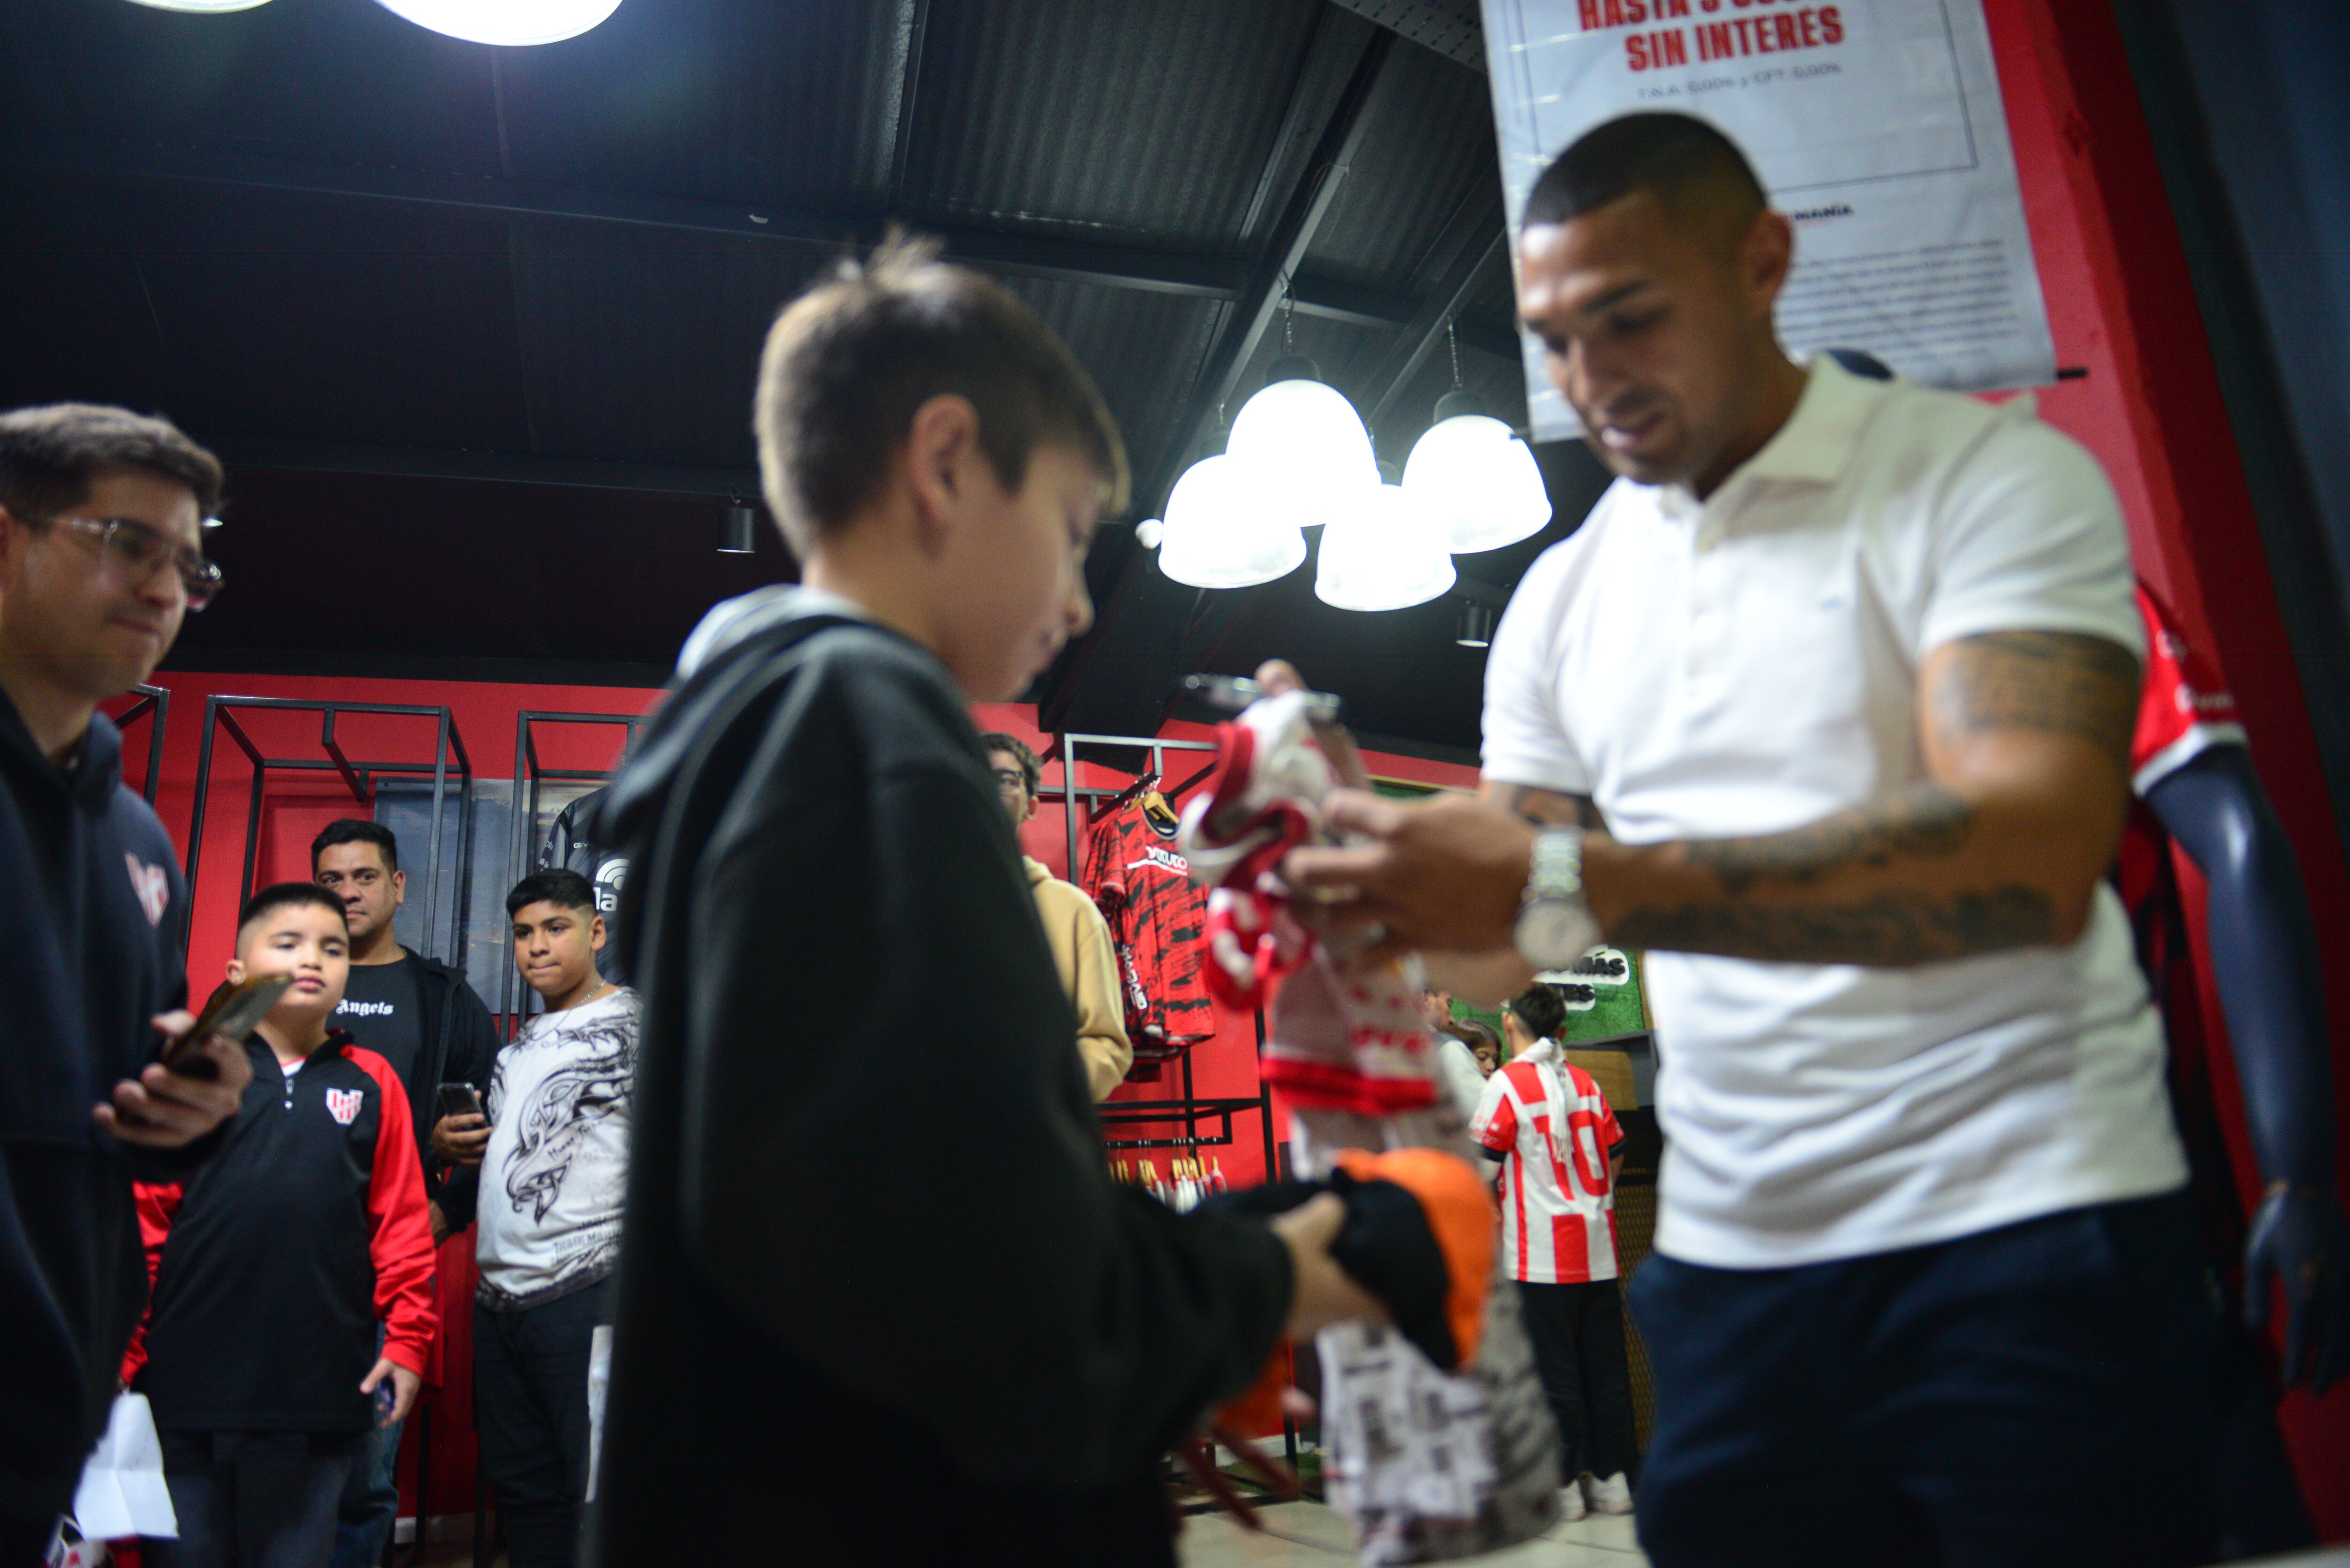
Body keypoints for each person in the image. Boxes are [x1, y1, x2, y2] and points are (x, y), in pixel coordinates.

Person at [1276, 112, 2219, 1566]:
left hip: (2025, 1219)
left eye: (1627, 318)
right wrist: (1358, 855)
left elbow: (2025, 859)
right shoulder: (1560, 602)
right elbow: (1512, 931)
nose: (1589, 380)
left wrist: (1569, 875)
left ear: (1762, 262)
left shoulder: (1987, 485)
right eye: (1552, 339)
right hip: (1734, 1265)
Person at [584, 234, 1383, 1567]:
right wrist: (1295, 1269)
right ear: (946, 461)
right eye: (1074, 534)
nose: (1079, 603)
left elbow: (882, 1228)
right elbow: (1006, 1290)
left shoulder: (768, 726)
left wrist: (1150, 1353)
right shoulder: (870, 722)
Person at [0, 403, 253, 1563]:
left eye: (187, 562)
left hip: (43, 1426)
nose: (163, 585)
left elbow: (117, 1120)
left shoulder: (141, 841)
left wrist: (190, 1113)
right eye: (126, 542)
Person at [126, 884, 436, 1568]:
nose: (313, 959)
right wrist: (122, 1355)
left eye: (332, 948)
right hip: (185, 1386)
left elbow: (403, 1228)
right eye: (287, 943)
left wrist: (410, 1341)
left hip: (318, 1389)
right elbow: (143, 1229)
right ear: (237, 974)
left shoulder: (373, 1081)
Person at [430, 869, 634, 1568]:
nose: (537, 947)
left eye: (556, 928)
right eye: (523, 933)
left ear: (596, 931)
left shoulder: (640, 1024)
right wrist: (447, 1148)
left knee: (599, 1501)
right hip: (499, 1306)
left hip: (589, 1294)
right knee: (525, 1499)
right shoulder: (515, 1050)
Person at [311, 818, 499, 1568]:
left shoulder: (447, 998)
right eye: (332, 879)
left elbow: (496, 1134)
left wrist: (445, 1211)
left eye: (363, 877)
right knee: (261, 1465)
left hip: (391, 1265)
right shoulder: (280, 984)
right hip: (282, 1258)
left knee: (364, 1476)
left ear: (398, 885)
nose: (348, 893)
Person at [1474, 986, 1634, 1522]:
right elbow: (1616, 1148)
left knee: (1552, 1374)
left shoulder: (1504, 1084)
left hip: (1537, 1251)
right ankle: (1614, 1483)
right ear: (1560, 1030)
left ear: (1506, 1021)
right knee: (1606, 1370)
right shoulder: (1584, 1081)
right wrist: (1594, 1198)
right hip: (1597, 1248)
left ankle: (1563, 1486)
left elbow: (1481, 1168)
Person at [982, 731, 1133, 1096]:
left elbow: (1107, 1045)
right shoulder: (915, 901)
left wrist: (1037, 1096)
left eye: (1004, 780)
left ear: (1031, 805)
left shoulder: (1074, 912)